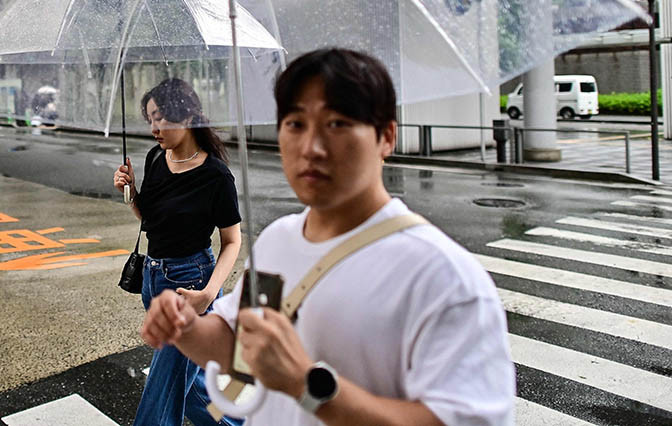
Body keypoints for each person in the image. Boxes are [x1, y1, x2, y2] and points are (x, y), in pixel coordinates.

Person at [139, 49, 515, 425]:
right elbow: (236, 344)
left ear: (386, 137)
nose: (310, 147)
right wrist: (185, 328)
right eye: (295, 124)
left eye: (336, 124)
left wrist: (307, 386)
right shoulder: (277, 242)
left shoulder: (446, 278)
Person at [114, 78, 245, 426]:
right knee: (192, 388)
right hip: (153, 280)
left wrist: (208, 293)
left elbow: (232, 241)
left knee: (163, 388)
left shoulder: (216, 176)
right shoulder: (157, 157)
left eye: (161, 118)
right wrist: (130, 194)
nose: (154, 128)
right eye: (150, 118)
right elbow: (152, 221)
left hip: (190, 284)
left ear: (187, 117)